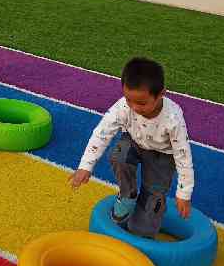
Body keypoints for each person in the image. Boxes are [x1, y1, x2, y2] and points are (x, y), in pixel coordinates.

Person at [70, 57, 194, 238]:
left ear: (161, 94)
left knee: (151, 201)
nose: (134, 107)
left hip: (162, 155)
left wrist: (184, 192)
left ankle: (144, 230)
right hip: (134, 141)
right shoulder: (123, 107)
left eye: (142, 103)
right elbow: (102, 133)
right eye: (129, 99)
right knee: (118, 156)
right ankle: (128, 194)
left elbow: (183, 156)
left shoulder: (173, 119)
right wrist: (85, 166)